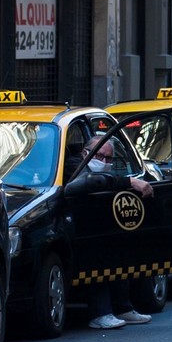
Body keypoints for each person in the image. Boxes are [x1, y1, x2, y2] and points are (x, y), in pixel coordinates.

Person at [69, 134, 156, 330]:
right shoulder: (74, 164)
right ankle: (100, 312)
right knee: (98, 259)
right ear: (86, 153)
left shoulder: (107, 171)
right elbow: (96, 181)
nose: (105, 162)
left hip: (100, 225)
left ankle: (122, 307)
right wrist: (130, 183)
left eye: (109, 159)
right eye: (100, 157)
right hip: (76, 229)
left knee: (119, 253)